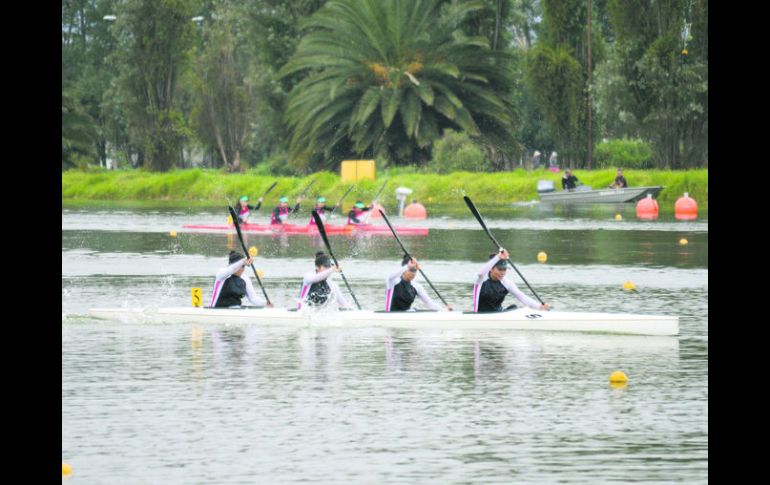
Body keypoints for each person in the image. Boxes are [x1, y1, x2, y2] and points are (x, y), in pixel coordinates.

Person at [473, 249, 551, 313]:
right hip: (480, 315)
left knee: (514, 307)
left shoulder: (506, 283)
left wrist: (539, 307)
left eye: (504, 269)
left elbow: (522, 297)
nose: (503, 272)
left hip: (499, 315)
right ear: (491, 268)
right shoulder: (481, 279)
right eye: (500, 269)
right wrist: (498, 257)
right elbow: (480, 272)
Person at [385, 255, 452, 312]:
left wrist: (443, 311)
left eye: (415, 270)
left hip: (407, 314)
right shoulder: (393, 281)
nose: (413, 273)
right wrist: (408, 266)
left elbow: (429, 303)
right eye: (411, 270)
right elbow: (389, 277)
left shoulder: (417, 287)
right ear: (404, 270)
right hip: (389, 314)